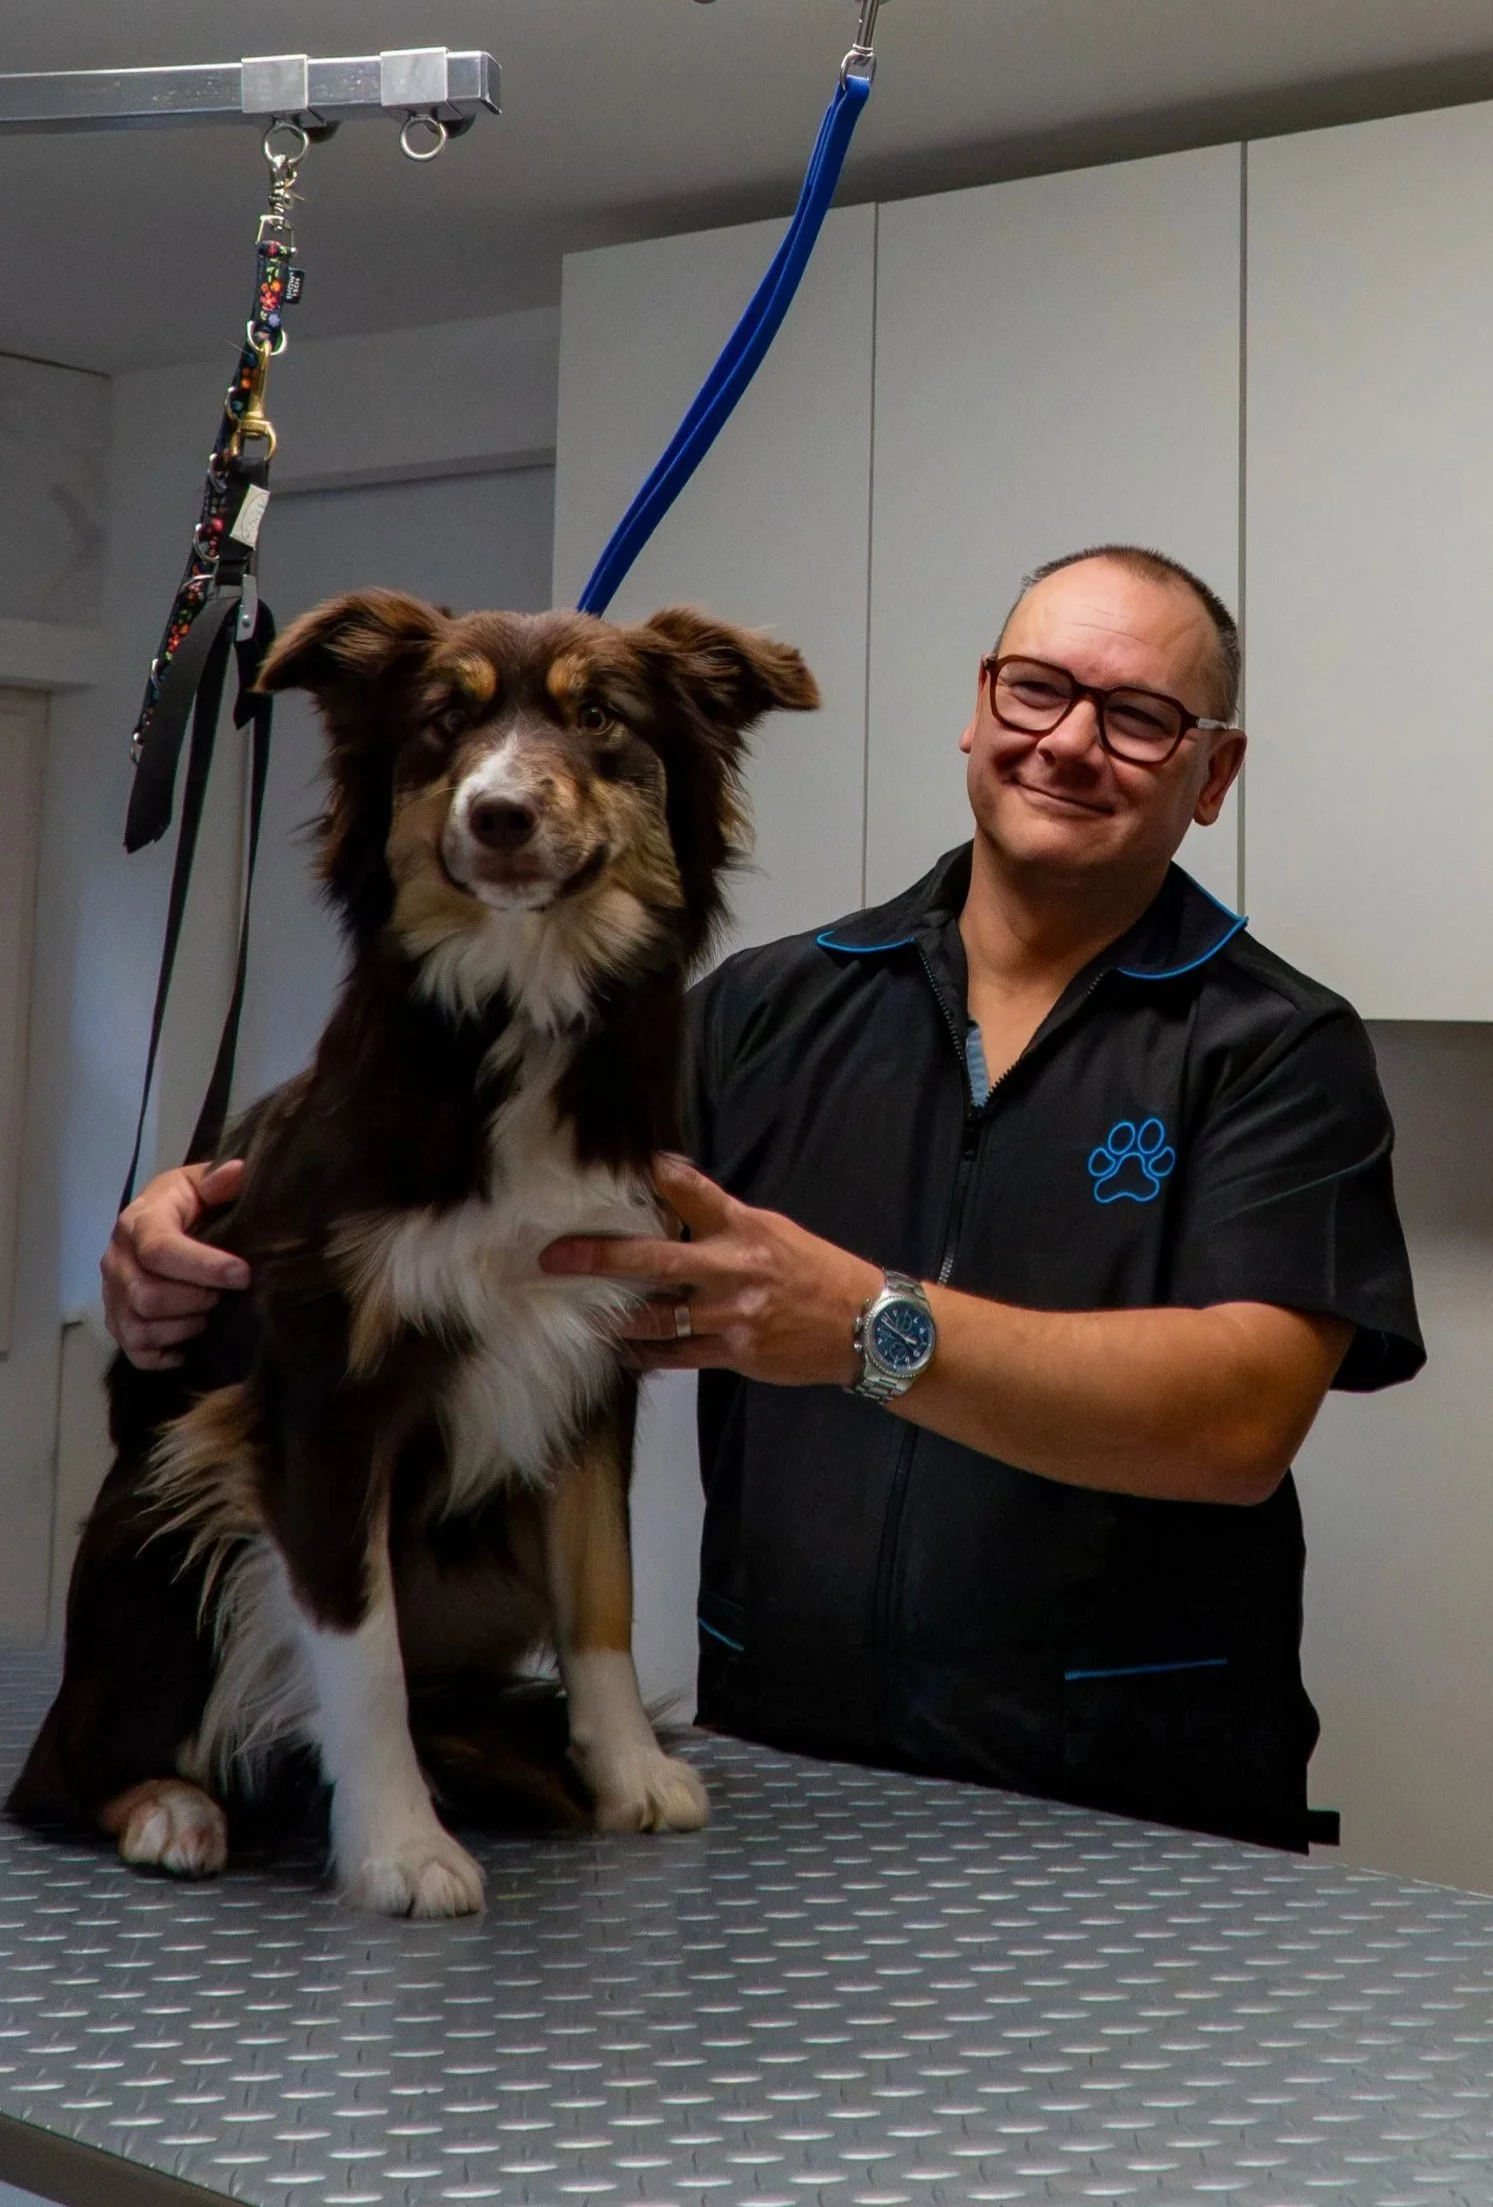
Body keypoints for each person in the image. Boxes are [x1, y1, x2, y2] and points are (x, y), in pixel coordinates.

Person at [103, 545, 1423, 1851]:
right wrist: (194, 1212)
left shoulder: (1273, 1043)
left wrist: (868, 1329)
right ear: (978, 709)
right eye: (1036, 689)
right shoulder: (768, 1013)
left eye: (1139, 715)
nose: (1069, 741)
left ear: (1214, 774)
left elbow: (1240, 1422)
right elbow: (455, 1165)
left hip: (1135, 1810)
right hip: (795, 1786)